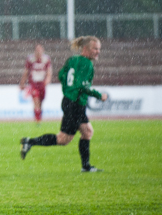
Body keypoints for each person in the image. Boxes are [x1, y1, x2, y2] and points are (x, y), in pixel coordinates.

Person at [19, 36, 108, 172]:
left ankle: (86, 166)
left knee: (87, 131)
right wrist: (99, 95)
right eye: (95, 49)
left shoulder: (72, 60)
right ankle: (30, 142)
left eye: (99, 49)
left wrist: (68, 90)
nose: (98, 52)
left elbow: (61, 75)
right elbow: (83, 86)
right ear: (85, 49)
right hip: (75, 104)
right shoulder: (87, 64)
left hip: (70, 102)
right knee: (63, 139)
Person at [19, 44, 52, 123]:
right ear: (35, 51)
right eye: (37, 50)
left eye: (40, 51)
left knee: (40, 102)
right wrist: (22, 83)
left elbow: (49, 71)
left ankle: (39, 117)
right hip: (34, 84)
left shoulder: (46, 59)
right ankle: (37, 120)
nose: (38, 52)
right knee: (36, 101)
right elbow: (26, 72)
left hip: (42, 84)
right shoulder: (30, 59)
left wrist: (48, 79)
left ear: (42, 51)